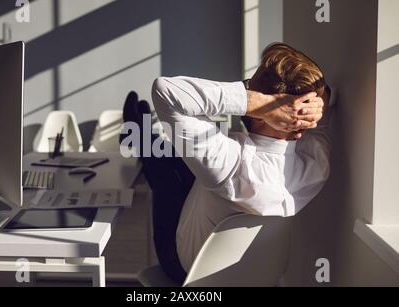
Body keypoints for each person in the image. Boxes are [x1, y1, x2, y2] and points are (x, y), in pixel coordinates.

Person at [141, 43, 331, 283]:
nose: (248, 88)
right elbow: (326, 102)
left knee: (164, 180)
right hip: (261, 277)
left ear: (272, 113)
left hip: (187, 271)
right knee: (181, 163)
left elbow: (166, 90)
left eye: (252, 88)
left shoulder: (230, 162)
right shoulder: (316, 166)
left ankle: (144, 143)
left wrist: (260, 104)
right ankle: (147, 140)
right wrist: (311, 106)